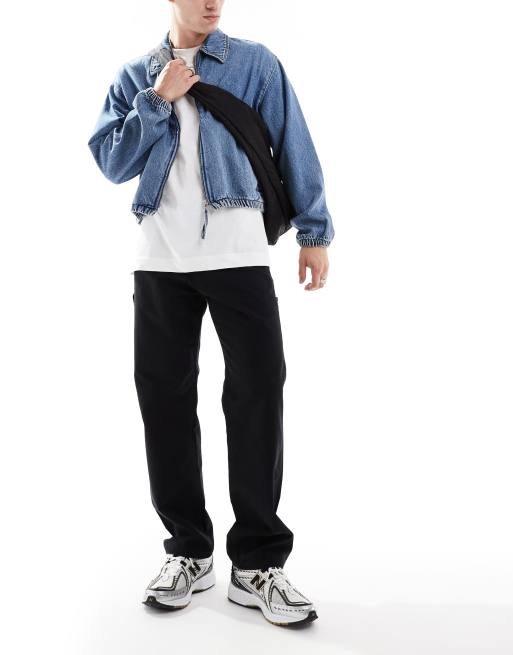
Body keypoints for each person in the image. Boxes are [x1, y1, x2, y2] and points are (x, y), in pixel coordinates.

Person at [87, 0, 334, 627]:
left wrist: (314, 231)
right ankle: (188, 552)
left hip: (239, 252)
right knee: (164, 403)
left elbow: (294, 142)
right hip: (160, 261)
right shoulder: (136, 75)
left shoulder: (255, 65)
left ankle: (257, 565)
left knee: (258, 393)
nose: (212, 2)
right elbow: (112, 163)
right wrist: (156, 99)